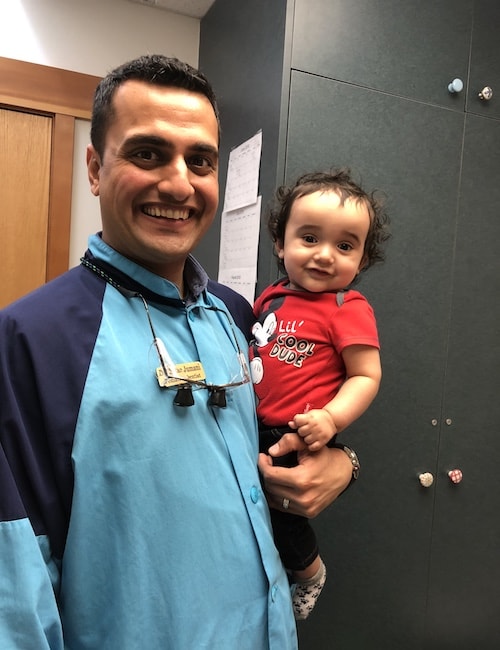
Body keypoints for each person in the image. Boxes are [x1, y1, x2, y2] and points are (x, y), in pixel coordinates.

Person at [0, 55, 355, 649]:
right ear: (94, 167)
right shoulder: (31, 340)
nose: (179, 183)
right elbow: (17, 584)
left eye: (200, 160)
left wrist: (343, 464)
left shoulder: (237, 315)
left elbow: (286, 426)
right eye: (147, 154)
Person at [250, 169, 390, 620]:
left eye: (345, 246)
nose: (325, 255)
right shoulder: (268, 298)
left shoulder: (346, 307)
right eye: (309, 238)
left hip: (299, 431)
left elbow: (366, 375)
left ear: (363, 259)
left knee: (284, 517)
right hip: (251, 424)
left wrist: (331, 420)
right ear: (280, 242)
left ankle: (310, 573)